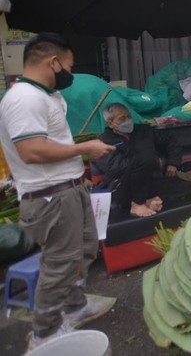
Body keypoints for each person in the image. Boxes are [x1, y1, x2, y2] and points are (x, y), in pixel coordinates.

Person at [0, 33, 116, 350]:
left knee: (85, 250)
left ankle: (76, 306)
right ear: (53, 62)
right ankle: (44, 332)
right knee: (59, 264)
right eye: (69, 65)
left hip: (68, 189)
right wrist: (85, 148)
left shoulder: (45, 95)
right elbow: (32, 151)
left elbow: (50, 142)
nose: (70, 72)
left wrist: (78, 172)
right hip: (49, 198)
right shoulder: (24, 98)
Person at [92, 103, 191, 217]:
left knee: (188, 186)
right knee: (142, 163)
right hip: (125, 186)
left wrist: (173, 163)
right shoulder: (103, 142)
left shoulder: (144, 131)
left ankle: (152, 201)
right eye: (122, 119)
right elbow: (115, 168)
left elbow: (170, 140)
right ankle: (139, 203)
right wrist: (152, 161)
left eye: (129, 117)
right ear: (110, 123)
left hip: (152, 181)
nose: (128, 121)